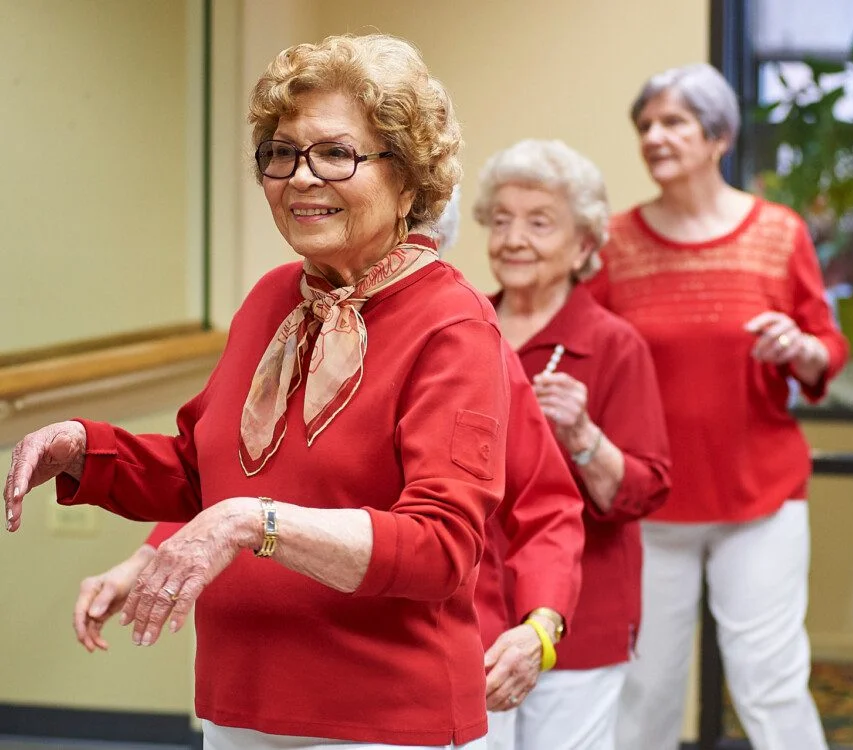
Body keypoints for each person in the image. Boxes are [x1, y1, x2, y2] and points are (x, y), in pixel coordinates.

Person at [6, 34, 511, 750]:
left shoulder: (452, 323)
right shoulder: (273, 300)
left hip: (385, 720)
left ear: (409, 179)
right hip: (241, 705)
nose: (300, 178)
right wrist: (84, 450)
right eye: (281, 153)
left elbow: (440, 547)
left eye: (336, 153)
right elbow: (197, 472)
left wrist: (255, 523)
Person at [73, 190, 589, 749]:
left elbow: (547, 507)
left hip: (419, 664)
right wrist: (147, 558)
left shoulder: (462, 339)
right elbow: (238, 473)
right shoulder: (283, 324)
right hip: (260, 681)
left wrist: (542, 627)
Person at [583, 63, 849, 750]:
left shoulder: (779, 232)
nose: (654, 136)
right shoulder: (613, 242)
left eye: (673, 122)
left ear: (718, 135)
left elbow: (825, 347)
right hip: (650, 504)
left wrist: (799, 349)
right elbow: (584, 350)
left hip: (759, 496)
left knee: (769, 684)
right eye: (645, 125)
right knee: (644, 689)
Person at [472, 139, 672, 750]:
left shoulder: (614, 345)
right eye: (501, 220)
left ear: (584, 245)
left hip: (579, 618)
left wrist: (584, 436)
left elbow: (645, 489)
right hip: (470, 607)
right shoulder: (462, 327)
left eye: (539, 222)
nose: (513, 238)